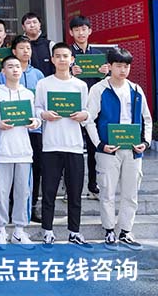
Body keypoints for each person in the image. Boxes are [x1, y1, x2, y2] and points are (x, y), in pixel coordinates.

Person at [85, 47, 151, 251]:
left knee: (131, 193)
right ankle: (109, 230)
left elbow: (147, 119)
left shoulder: (136, 89)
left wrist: (145, 142)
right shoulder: (99, 89)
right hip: (108, 149)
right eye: (119, 66)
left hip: (133, 150)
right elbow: (89, 119)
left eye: (126, 66)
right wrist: (99, 144)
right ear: (110, 66)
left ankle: (125, 231)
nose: (123, 70)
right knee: (107, 192)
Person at [35, 42, 91, 249]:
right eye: (57, 56)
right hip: (51, 145)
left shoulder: (80, 85)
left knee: (75, 192)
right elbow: (36, 108)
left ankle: (74, 232)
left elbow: (87, 112)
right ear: (52, 59)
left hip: (74, 145)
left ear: (72, 59)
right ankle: (47, 231)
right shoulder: (44, 84)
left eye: (65, 56)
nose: (61, 59)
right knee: (49, 191)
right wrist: (44, 114)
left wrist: (84, 115)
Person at [0, 55, 40, 249]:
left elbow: (36, 119)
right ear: (3, 71)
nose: (15, 69)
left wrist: (35, 123)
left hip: (24, 151)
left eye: (17, 66)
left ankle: (19, 230)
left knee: (23, 192)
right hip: (1, 152)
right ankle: (1, 229)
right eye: (10, 66)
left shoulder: (28, 94)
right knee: (0, 192)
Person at [0, 35, 45, 222]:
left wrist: (36, 121)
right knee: (11, 172)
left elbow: (41, 103)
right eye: (22, 48)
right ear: (14, 51)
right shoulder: (4, 73)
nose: (26, 51)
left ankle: (32, 205)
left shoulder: (38, 74)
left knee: (35, 169)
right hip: (11, 130)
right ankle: (12, 206)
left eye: (28, 48)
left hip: (33, 131)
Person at [69, 15, 111, 199]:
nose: (81, 33)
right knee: (72, 150)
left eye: (84, 29)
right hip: (73, 107)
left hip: (94, 107)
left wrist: (105, 73)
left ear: (90, 31)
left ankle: (93, 184)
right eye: (77, 29)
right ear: (71, 32)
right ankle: (70, 188)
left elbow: (106, 83)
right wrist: (70, 71)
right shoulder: (67, 54)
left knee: (94, 147)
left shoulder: (98, 55)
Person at [22, 12, 55, 77]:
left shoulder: (50, 45)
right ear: (23, 27)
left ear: (39, 24)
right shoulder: (19, 46)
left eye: (34, 22)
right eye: (28, 23)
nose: (32, 25)